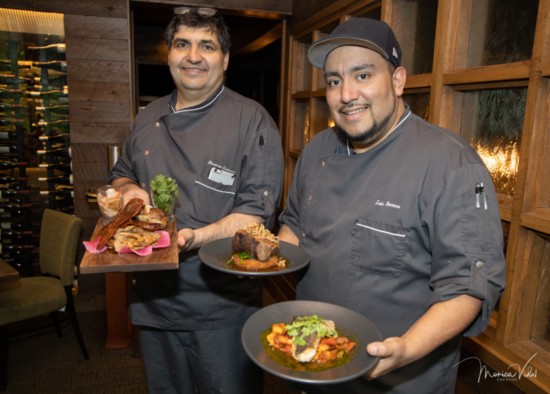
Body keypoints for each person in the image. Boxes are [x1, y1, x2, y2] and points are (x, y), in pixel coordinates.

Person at [277, 17, 506, 393]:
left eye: (362, 75)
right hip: (312, 363)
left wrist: (407, 348)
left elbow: (468, 286)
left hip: (401, 377)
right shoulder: (317, 150)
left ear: (398, 81)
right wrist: (259, 257)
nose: (346, 93)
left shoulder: (451, 163)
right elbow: (295, 225)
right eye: (334, 81)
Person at [109, 7, 284, 393]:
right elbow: (120, 173)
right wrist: (129, 192)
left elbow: (257, 216)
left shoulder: (252, 121)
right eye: (182, 44)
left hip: (221, 305)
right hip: (154, 299)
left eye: (206, 46)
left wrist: (195, 237)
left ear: (224, 59)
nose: (193, 56)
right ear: (167, 53)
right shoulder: (146, 118)